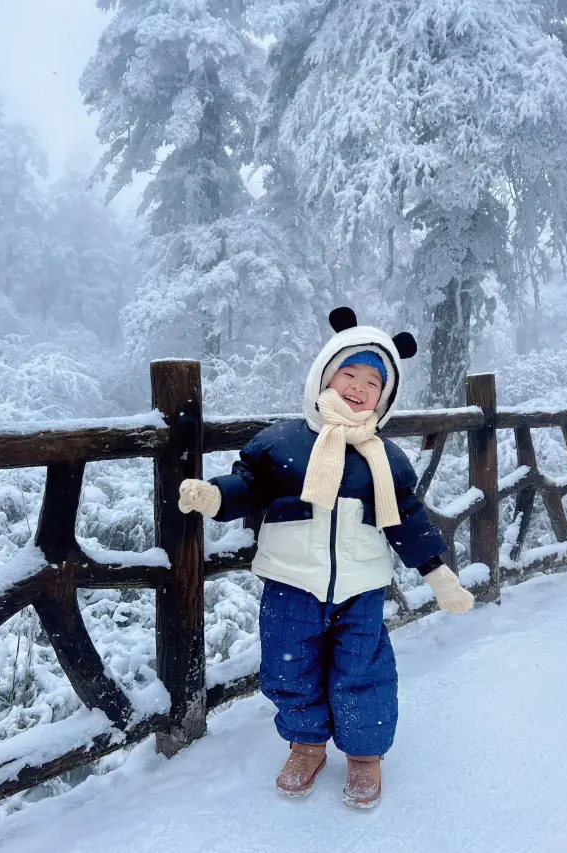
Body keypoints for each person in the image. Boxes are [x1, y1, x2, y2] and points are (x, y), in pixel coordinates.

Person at [178, 306, 475, 809]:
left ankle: (364, 753)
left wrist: (439, 576)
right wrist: (217, 498)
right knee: (287, 668)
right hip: (290, 581)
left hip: (361, 586)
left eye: (373, 382)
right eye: (349, 373)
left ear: (385, 397)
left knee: (363, 668)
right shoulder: (282, 442)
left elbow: (407, 520)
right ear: (324, 372)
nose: (359, 387)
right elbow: (250, 488)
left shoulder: (386, 458)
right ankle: (307, 743)